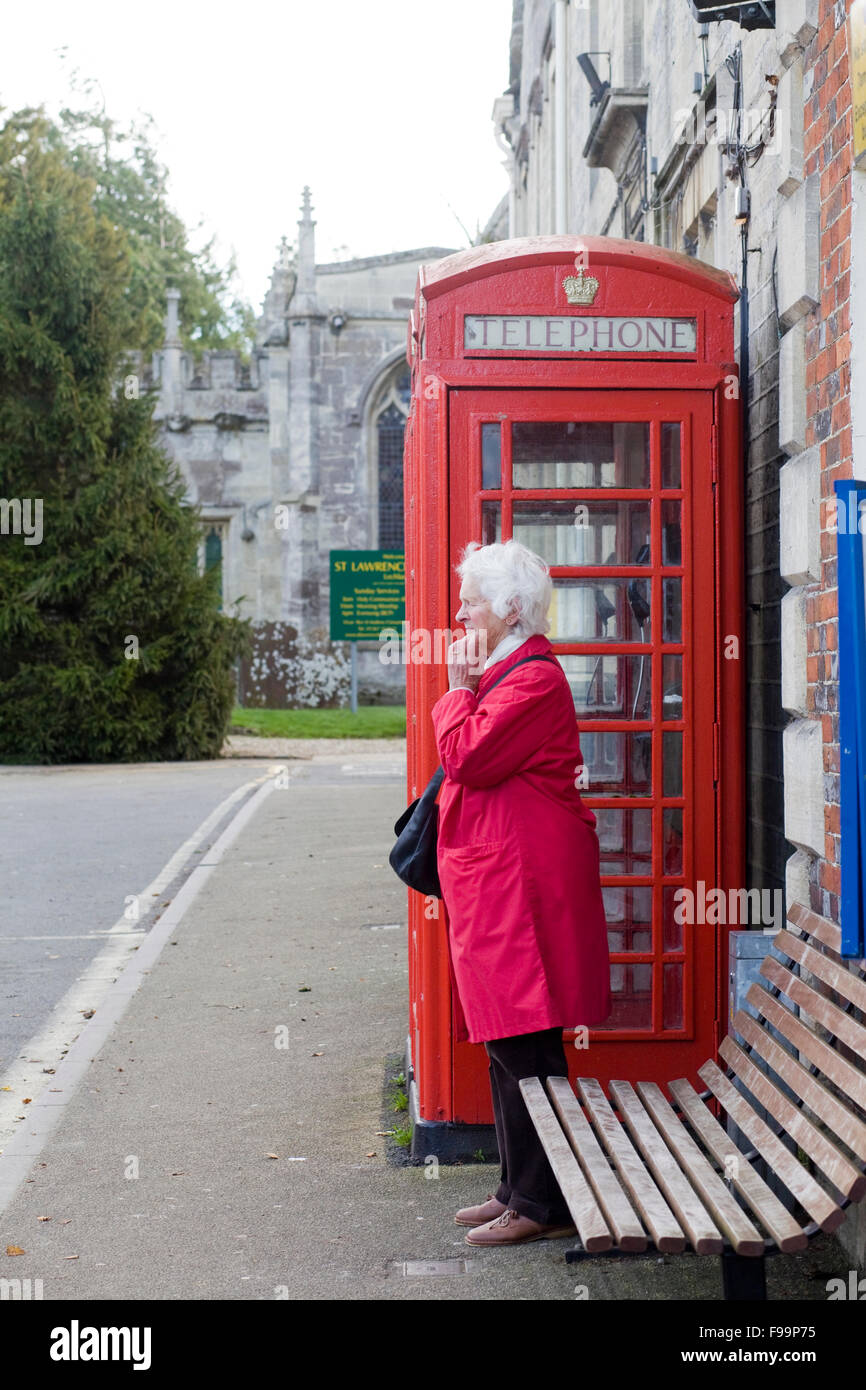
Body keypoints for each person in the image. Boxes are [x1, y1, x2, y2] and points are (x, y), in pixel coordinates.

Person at [431, 539, 611, 1247]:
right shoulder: (508, 672)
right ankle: (516, 1186)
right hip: (500, 879)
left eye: (471, 600)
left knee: (525, 1042)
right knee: (505, 1035)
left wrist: (454, 689)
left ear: (508, 609)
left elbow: (468, 757)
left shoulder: (533, 680)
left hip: (523, 888)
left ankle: (543, 1202)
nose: (460, 611)